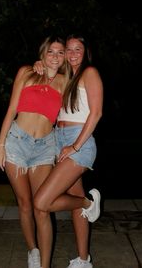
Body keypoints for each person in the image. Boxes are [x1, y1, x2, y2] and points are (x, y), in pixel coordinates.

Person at [0, 35, 67, 268]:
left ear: (64, 57)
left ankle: (44, 265)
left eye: (60, 52)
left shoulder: (66, 82)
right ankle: (32, 250)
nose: (55, 56)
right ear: (43, 54)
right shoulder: (26, 72)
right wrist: (0, 144)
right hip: (16, 142)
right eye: (51, 52)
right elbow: (12, 108)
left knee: (41, 207)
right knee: (24, 204)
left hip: (45, 147)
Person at [33, 34, 103, 268]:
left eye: (78, 49)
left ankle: (87, 203)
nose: (72, 53)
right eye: (68, 50)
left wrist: (75, 146)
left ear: (86, 53)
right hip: (59, 139)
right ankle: (84, 260)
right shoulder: (66, 78)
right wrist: (39, 64)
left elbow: (95, 114)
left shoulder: (89, 73)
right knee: (72, 200)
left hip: (78, 142)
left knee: (42, 202)